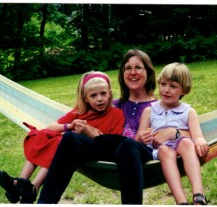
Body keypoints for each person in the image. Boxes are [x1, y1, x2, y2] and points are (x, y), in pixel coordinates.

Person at [37, 49, 158, 204]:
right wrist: (74, 126)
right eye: (128, 68)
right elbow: (82, 114)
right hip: (109, 151)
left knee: (128, 145)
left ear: (148, 71)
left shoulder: (158, 107)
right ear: (122, 74)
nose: (132, 72)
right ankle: (45, 202)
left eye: (138, 68)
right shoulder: (110, 104)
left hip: (139, 153)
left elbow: (173, 131)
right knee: (70, 138)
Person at [0, 71, 125, 204]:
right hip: (68, 149)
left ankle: (31, 186)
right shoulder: (78, 112)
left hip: (94, 151)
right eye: (93, 95)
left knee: (60, 142)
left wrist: (88, 133)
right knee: (42, 135)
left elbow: (114, 142)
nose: (99, 99)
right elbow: (51, 127)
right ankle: (22, 184)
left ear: (109, 93)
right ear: (85, 98)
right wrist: (69, 126)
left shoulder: (116, 114)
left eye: (103, 93)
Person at [136, 62, 209, 205]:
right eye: (163, 84)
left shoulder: (188, 111)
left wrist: (199, 140)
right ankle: (181, 201)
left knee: (187, 143)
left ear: (184, 91)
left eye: (173, 86)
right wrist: (141, 137)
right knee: (164, 150)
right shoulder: (149, 111)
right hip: (160, 150)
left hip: (183, 148)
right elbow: (138, 138)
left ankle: (198, 195)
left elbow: (196, 136)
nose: (166, 90)